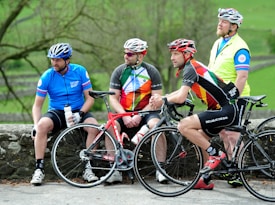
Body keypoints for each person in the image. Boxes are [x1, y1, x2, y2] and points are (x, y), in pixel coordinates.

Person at [149, 38, 240, 190]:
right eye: (172, 54)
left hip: (225, 109)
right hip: (221, 109)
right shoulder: (192, 67)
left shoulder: (191, 68)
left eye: (175, 54)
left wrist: (163, 100)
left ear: (186, 54)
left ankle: (216, 154)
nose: (172, 58)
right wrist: (163, 98)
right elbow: (179, 92)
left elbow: (181, 97)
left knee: (183, 126)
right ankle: (205, 178)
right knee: (201, 138)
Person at [30, 43, 99, 185]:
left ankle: (88, 168)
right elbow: (37, 106)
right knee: (42, 126)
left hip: (79, 109)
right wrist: (36, 125)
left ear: (67, 60)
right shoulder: (47, 76)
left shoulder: (80, 71)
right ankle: (39, 169)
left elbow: (90, 98)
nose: (54, 62)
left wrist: (80, 113)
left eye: (58, 59)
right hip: (57, 111)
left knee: (94, 127)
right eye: (52, 59)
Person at [107, 38, 167, 183]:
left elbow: (156, 100)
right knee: (110, 126)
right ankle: (114, 169)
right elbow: (113, 98)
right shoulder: (119, 71)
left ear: (140, 56)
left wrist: (140, 115)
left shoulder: (152, 72)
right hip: (124, 111)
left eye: (129, 54)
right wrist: (124, 115)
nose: (125, 56)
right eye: (125, 53)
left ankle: (161, 169)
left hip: (147, 111)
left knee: (157, 126)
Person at [208, 8, 250, 187]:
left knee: (233, 134)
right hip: (219, 97)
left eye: (224, 22)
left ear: (234, 26)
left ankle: (239, 171)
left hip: (235, 98)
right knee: (224, 133)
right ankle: (232, 168)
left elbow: (242, 76)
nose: (220, 24)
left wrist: (233, 97)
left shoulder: (240, 47)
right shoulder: (218, 43)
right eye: (220, 20)